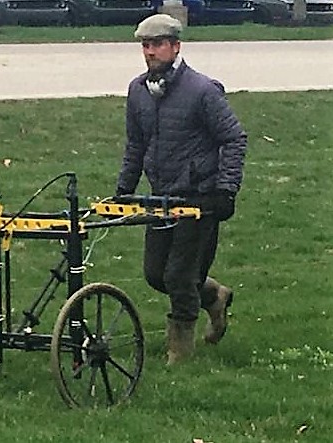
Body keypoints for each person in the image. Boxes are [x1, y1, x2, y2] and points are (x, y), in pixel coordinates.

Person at [115, 14, 247, 365]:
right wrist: (124, 189)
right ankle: (214, 297)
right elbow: (135, 144)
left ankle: (180, 352)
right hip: (160, 196)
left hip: (199, 198)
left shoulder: (203, 91)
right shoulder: (137, 91)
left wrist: (226, 190)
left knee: (180, 275)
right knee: (156, 274)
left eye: (157, 44)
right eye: (145, 45)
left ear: (176, 46)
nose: (150, 52)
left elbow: (234, 138)